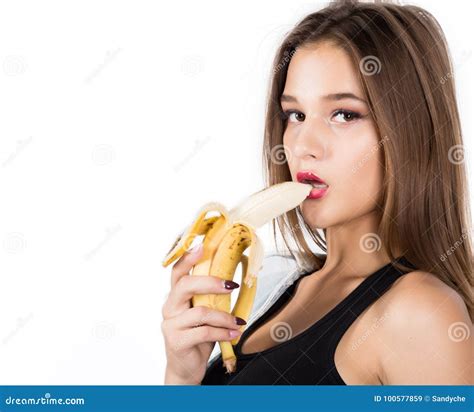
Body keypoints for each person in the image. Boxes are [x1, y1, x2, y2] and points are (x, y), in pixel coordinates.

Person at [161, 0, 473, 385]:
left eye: (344, 114)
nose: (304, 144)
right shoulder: (273, 286)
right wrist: (182, 375)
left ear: (409, 131)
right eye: (295, 115)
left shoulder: (421, 315)